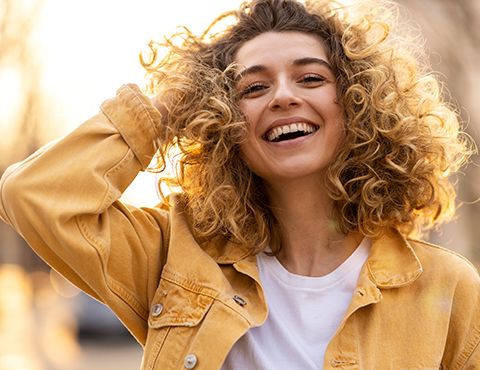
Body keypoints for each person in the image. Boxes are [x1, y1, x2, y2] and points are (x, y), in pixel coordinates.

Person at [0, 0, 479, 368]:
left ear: (359, 104)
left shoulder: (448, 289)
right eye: (253, 87)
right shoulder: (176, 259)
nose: (284, 96)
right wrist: (172, 105)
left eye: (311, 78)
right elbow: (32, 195)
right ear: (223, 119)